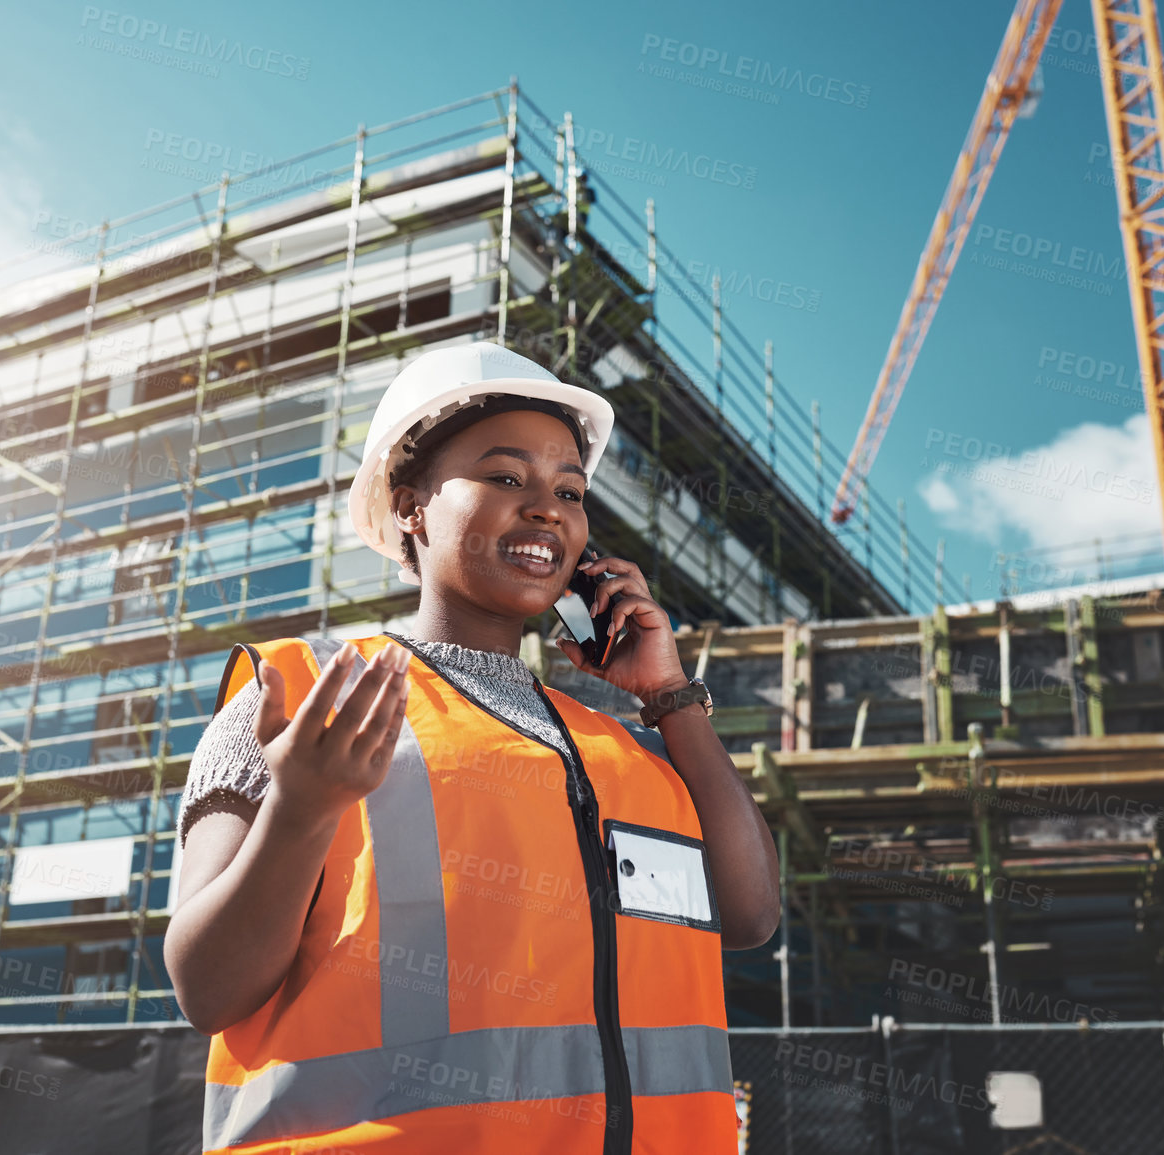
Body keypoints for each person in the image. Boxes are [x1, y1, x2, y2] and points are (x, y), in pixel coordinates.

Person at [164, 341, 780, 1153]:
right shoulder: (301, 692)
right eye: (504, 476)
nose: (547, 508)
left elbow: (748, 915)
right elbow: (207, 988)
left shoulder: (624, 747)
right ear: (410, 504)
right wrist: (299, 809)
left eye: (569, 489)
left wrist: (670, 700)